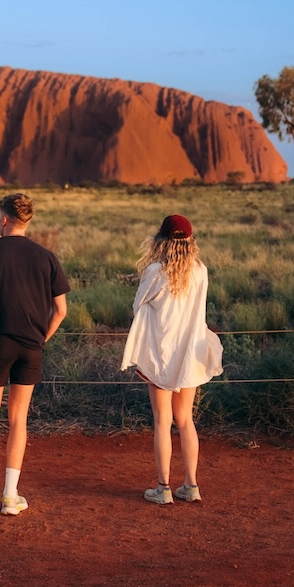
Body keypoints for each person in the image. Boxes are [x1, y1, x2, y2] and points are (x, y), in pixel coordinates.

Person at [0, 193, 69, 516]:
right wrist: (41, 339)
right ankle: (10, 495)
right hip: (30, 344)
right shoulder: (46, 257)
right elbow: (60, 310)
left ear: (5, 219)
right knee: (18, 418)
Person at [121, 214, 223, 505]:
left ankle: (162, 488)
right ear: (190, 241)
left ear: (161, 240)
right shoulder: (200, 270)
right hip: (190, 354)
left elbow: (137, 304)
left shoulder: (156, 271)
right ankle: (191, 486)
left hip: (162, 355)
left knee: (162, 421)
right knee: (186, 420)